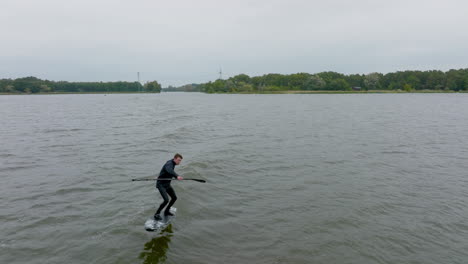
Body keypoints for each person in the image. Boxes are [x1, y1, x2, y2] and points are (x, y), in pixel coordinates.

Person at [154, 153, 184, 220]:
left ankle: (166, 211)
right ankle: (157, 214)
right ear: (174, 158)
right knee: (166, 200)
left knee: (174, 198)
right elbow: (169, 170)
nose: (179, 162)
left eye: (180, 161)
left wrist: (175, 176)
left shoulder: (173, 163)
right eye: (179, 160)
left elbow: (170, 172)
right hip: (161, 185)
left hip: (167, 184)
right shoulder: (169, 164)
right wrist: (177, 176)